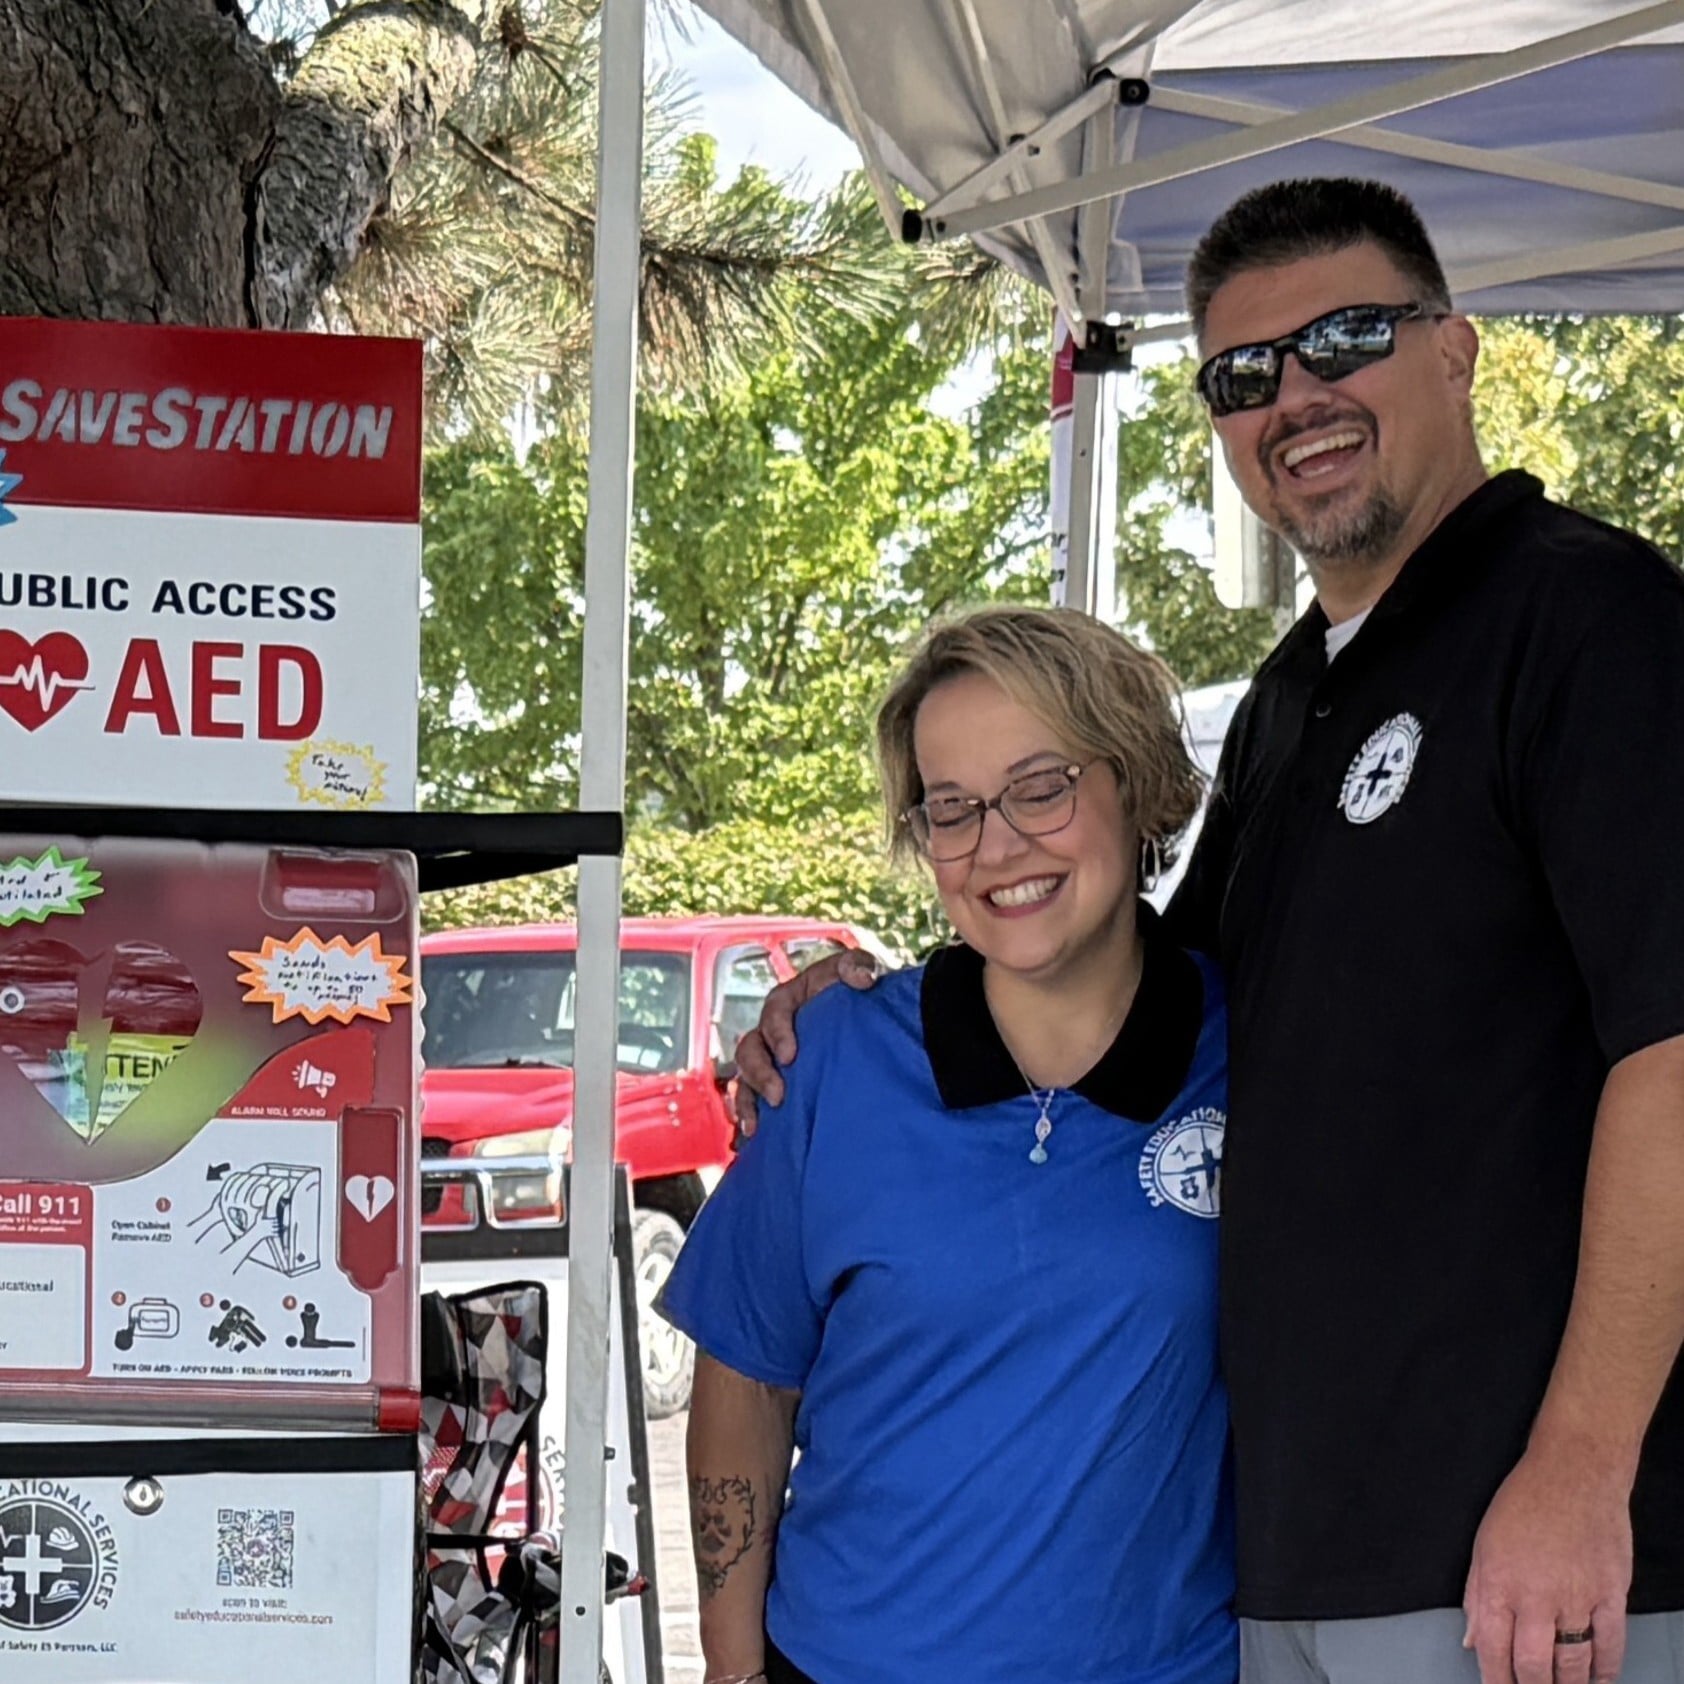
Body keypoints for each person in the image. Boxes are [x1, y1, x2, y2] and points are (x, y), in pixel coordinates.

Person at [735, 178, 1684, 1684]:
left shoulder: (1591, 620)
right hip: (1290, 1566)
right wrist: (852, 1006)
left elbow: (1674, 1048)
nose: (1294, 396)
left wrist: (1582, 1464)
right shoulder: (1293, 701)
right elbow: (1116, 977)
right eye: (1244, 374)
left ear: (1455, 351)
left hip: (1522, 1569)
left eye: (1345, 338)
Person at [659, 605, 1236, 1684]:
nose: (997, 846)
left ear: (1137, 783)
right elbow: (745, 1380)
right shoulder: (829, 1057)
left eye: (1041, 786)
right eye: (952, 809)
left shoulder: (1251, 1049)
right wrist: (732, 1673)